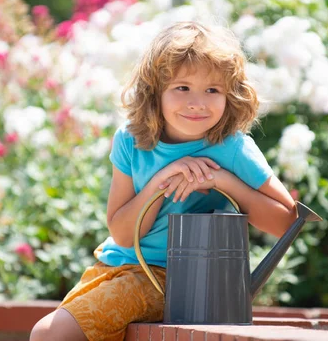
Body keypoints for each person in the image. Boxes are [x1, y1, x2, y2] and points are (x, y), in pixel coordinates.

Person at [30, 21, 297, 341]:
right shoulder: (131, 141)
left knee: (54, 333)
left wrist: (222, 180)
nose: (197, 102)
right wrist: (161, 181)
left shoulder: (232, 147)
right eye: (182, 87)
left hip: (174, 277)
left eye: (212, 90)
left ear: (230, 95)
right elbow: (123, 235)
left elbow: (288, 221)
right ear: (155, 92)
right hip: (113, 265)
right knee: (45, 333)